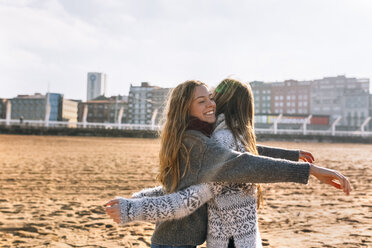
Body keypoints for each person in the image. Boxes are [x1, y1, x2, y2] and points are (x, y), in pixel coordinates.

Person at [106, 80, 351, 248]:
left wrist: (292, 154)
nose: (210, 104)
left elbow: (241, 154)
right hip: (182, 241)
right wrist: (309, 171)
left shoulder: (201, 137)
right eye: (201, 101)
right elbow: (239, 164)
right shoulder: (205, 144)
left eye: (210, 99)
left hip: (184, 239)